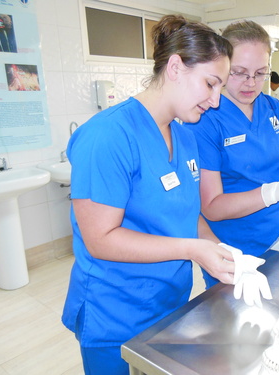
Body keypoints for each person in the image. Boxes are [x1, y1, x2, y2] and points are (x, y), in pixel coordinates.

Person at [61, 15, 236, 375]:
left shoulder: (185, 134)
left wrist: (217, 249)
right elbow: (101, 239)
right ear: (175, 67)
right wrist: (192, 249)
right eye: (210, 84)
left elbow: (189, 212)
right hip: (116, 313)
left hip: (168, 305)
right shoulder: (108, 137)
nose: (216, 101)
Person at [185, 20, 279, 288]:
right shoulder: (206, 118)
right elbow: (211, 207)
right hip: (234, 249)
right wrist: (271, 193)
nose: (251, 83)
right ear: (223, 66)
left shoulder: (273, 108)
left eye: (260, 73)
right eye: (239, 72)